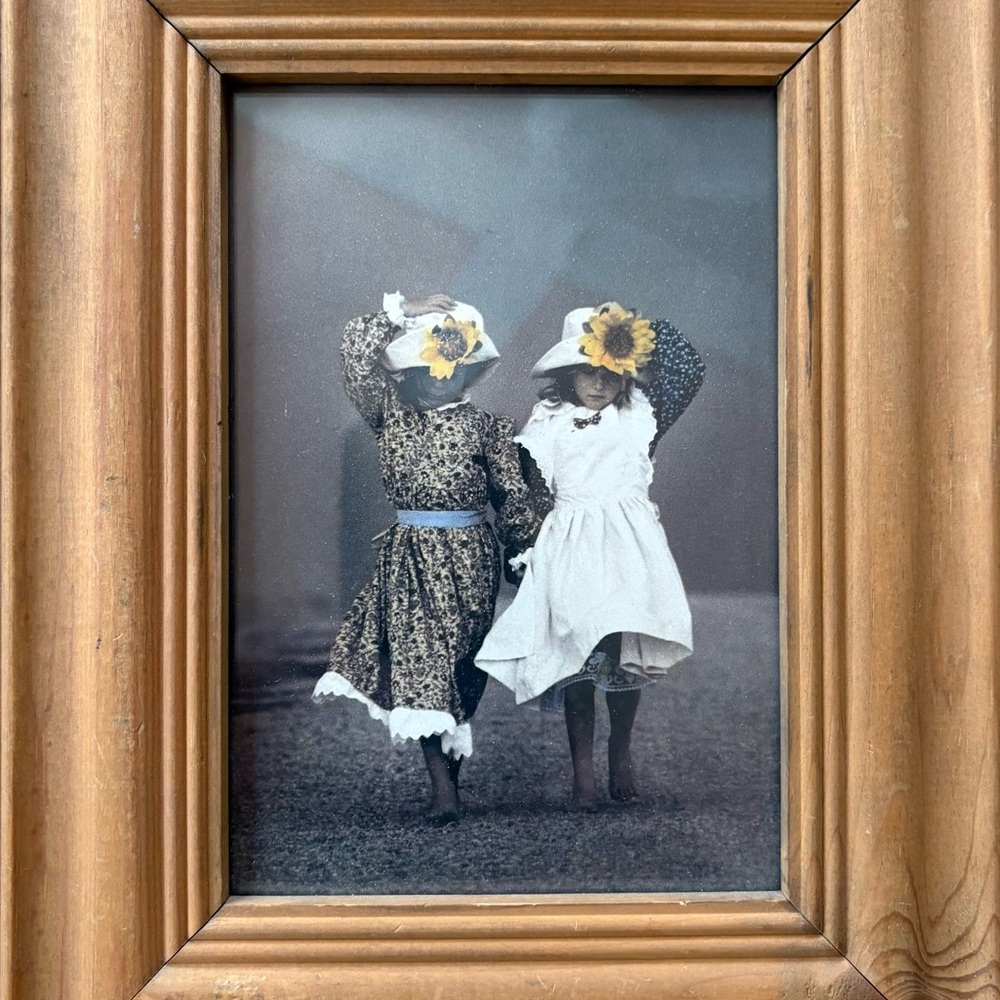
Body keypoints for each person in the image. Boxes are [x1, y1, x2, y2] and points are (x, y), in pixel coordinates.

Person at [313, 292, 538, 825]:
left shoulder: (489, 427)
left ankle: (448, 777)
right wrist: (406, 310)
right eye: (426, 367)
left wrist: (523, 551)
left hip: (472, 559)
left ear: (469, 371)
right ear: (408, 375)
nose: (440, 377)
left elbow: (511, 496)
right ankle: (443, 791)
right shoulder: (390, 416)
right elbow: (354, 351)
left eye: (451, 367)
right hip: (411, 555)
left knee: (460, 668)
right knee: (423, 664)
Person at [475, 302, 705, 810]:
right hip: (572, 546)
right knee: (578, 654)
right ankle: (582, 771)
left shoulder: (639, 415)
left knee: (620, 649)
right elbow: (531, 494)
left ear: (627, 374)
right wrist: (525, 550)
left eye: (611, 371)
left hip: (627, 548)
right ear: (565, 375)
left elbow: (688, 366)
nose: (599, 383)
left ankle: (620, 749)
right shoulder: (547, 423)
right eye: (587, 371)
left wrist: (627, 330)